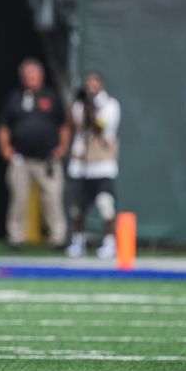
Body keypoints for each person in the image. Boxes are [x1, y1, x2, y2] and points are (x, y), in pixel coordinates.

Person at [0, 59, 69, 249]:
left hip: (47, 159)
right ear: (22, 77)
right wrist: (6, 148)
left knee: (53, 198)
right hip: (21, 158)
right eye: (28, 74)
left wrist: (62, 147)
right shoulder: (15, 97)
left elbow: (64, 125)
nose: (31, 78)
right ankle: (15, 237)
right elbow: (4, 126)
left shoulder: (51, 97)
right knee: (18, 198)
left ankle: (58, 237)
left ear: (41, 76)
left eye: (34, 74)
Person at [66, 73, 122, 259]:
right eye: (88, 83)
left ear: (102, 85)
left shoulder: (111, 105)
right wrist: (84, 105)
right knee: (77, 207)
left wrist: (92, 107)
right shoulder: (79, 104)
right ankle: (78, 241)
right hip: (81, 163)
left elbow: (101, 126)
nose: (91, 86)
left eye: (94, 83)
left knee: (105, 204)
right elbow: (78, 124)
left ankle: (109, 242)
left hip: (102, 163)